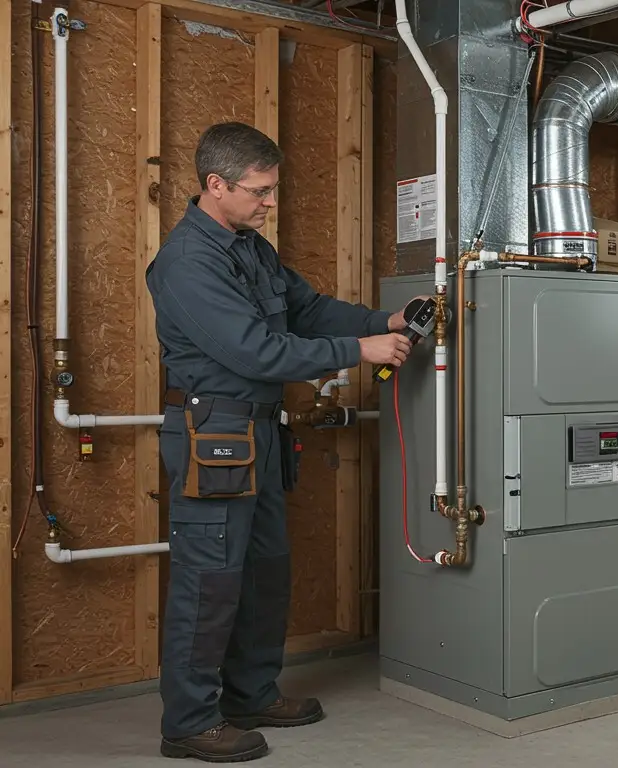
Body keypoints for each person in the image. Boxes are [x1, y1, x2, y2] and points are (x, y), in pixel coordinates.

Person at [145, 121, 420, 762]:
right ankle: (188, 722)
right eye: (259, 191)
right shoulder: (188, 262)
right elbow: (253, 349)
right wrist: (362, 350)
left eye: (272, 190)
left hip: (260, 433)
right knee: (209, 581)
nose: (269, 202)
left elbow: (307, 307)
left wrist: (387, 320)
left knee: (264, 574)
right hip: (212, 434)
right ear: (216, 185)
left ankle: (250, 694)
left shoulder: (250, 247)